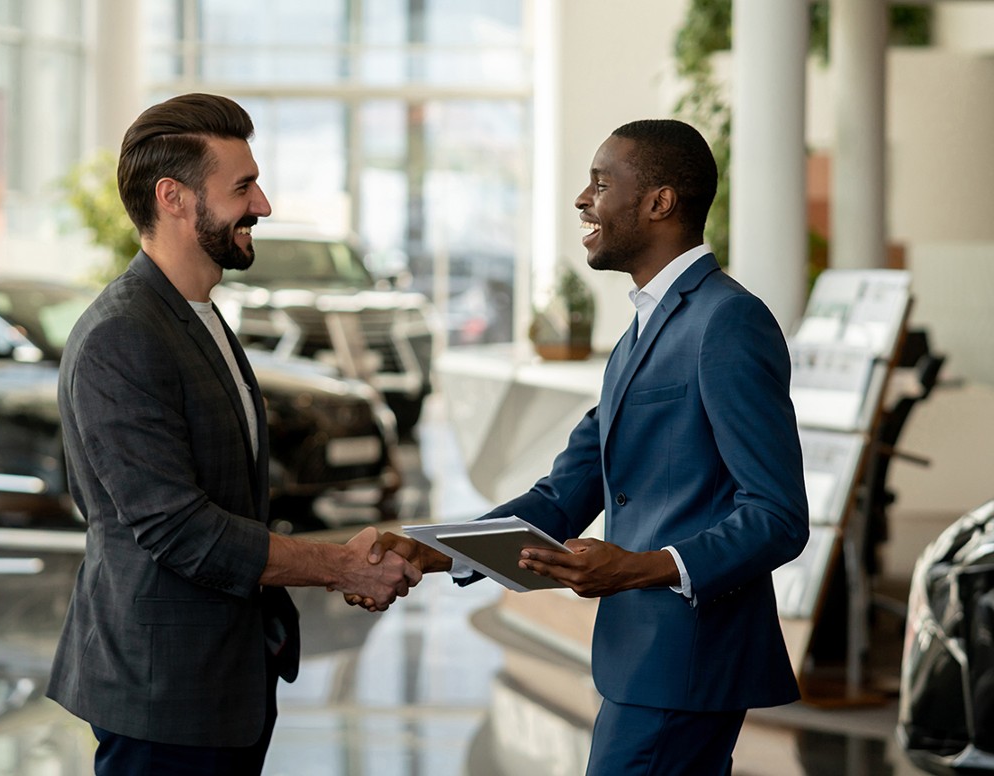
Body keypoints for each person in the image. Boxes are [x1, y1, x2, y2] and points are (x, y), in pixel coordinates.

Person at [359, 119, 810, 775]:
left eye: (601, 183)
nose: (581, 198)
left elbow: (777, 516)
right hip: (645, 664)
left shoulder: (727, 321)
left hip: (686, 661)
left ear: (659, 202)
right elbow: (562, 497)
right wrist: (425, 550)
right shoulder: (642, 329)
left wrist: (640, 567)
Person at [46, 92, 421, 776]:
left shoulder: (200, 316)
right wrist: (341, 565)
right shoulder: (121, 337)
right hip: (163, 696)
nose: (264, 205)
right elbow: (179, 529)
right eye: (242, 187)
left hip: (225, 683)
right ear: (175, 198)